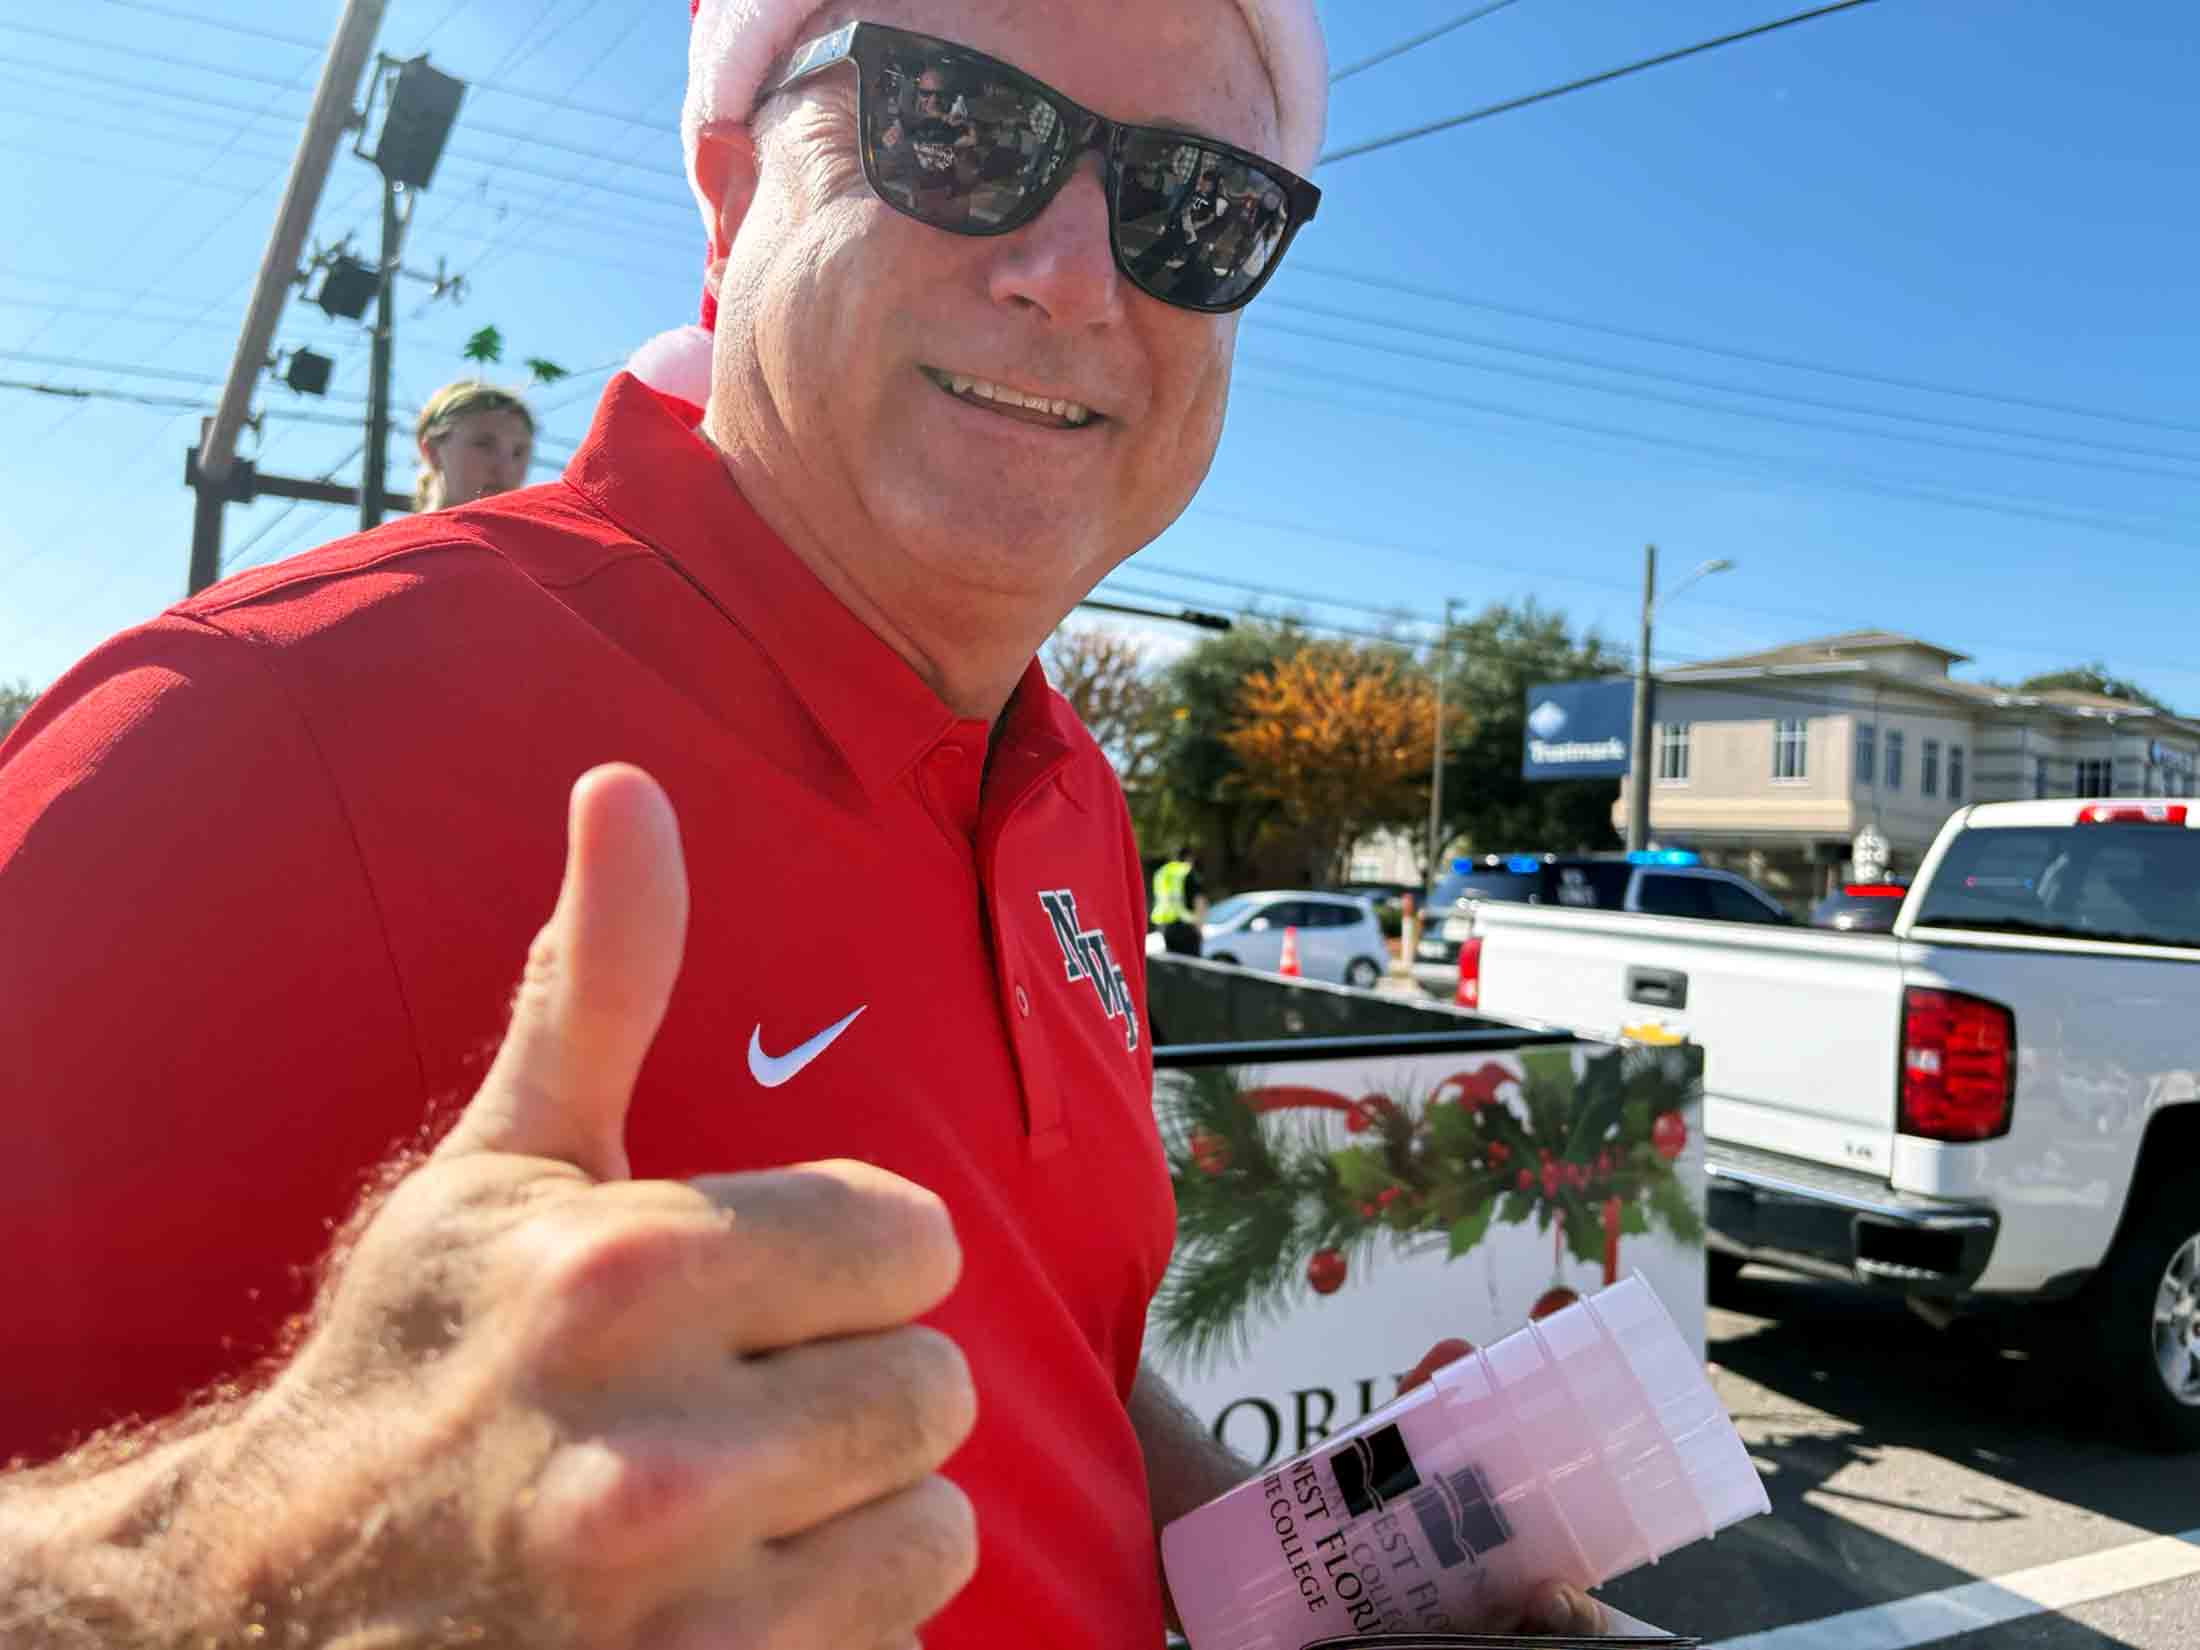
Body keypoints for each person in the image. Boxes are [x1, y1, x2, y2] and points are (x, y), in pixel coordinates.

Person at [0, 3, 1611, 1645]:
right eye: (961, 128)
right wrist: (234, 1578)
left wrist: (1351, 1585)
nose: (1071, 270)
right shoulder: (246, 729)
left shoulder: (1075, 806)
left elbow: (1054, 1347)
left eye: (1196, 209)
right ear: (725, 187)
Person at [411, 379, 535, 511]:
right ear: (433, 451)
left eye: (518, 453)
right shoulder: (399, 531)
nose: (506, 468)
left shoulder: (536, 531)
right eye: (484, 445)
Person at [1151, 842, 1208, 955]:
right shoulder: (1187, 872)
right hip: (1187, 929)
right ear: (1189, 857)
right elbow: (1199, 901)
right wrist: (1200, 929)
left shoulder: (1162, 873)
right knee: (1191, 968)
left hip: (1166, 928)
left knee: (1175, 968)